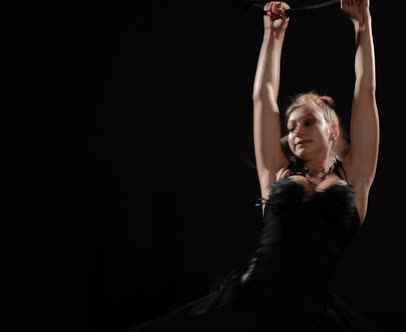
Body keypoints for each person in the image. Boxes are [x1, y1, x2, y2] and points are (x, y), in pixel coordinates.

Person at [128, 0, 379, 331]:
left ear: (332, 130)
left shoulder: (355, 175)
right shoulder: (277, 173)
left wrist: (363, 24)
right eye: (289, 128)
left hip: (312, 315)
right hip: (245, 305)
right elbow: (264, 97)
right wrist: (272, 35)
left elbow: (366, 90)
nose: (296, 133)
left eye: (307, 123)